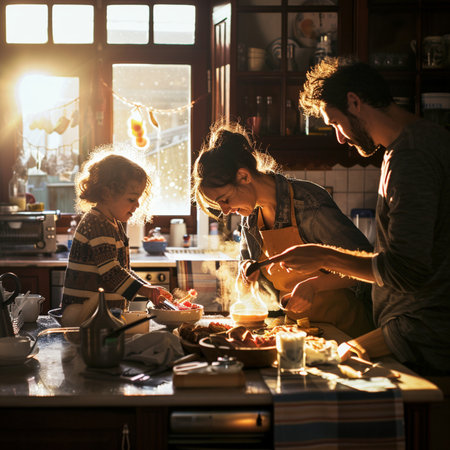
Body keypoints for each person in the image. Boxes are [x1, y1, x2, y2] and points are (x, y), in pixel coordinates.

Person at [267, 56, 450, 375]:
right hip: (413, 333)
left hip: (421, 338)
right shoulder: (417, 144)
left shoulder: (412, 157)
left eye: (336, 122)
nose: (339, 137)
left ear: (354, 102)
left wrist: (324, 256)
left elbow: (406, 271)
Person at [192, 122, 375, 338]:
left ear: (244, 176)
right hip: (297, 331)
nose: (225, 210)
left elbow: (368, 266)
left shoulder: (308, 203)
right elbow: (250, 277)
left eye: (225, 200)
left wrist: (313, 286)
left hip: (345, 329)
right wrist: (247, 275)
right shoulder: (251, 216)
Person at [62, 151, 172, 326]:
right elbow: (112, 273)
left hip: (99, 316)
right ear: (106, 193)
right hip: (82, 316)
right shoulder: (97, 224)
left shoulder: (112, 223)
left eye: (138, 199)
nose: (137, 205)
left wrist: (148, 288)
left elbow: (120, 270)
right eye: (131, 199)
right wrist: (146, 290)